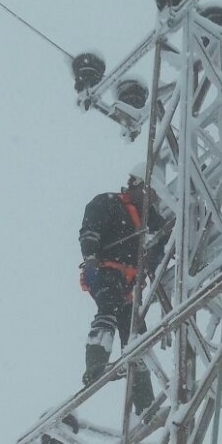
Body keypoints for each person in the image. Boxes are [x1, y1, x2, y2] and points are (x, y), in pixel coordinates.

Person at [78, 169, 167, 414]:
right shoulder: (109, 203)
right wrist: (91, 254)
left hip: (128, 283)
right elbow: (90, 229)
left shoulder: (146, 216)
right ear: (136, 184)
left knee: (136, 335)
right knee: (108, 308)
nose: (152, 199)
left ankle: (144, 402)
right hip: (105, 270)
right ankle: (96, 362)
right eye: (149, 192)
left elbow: (167, 233)